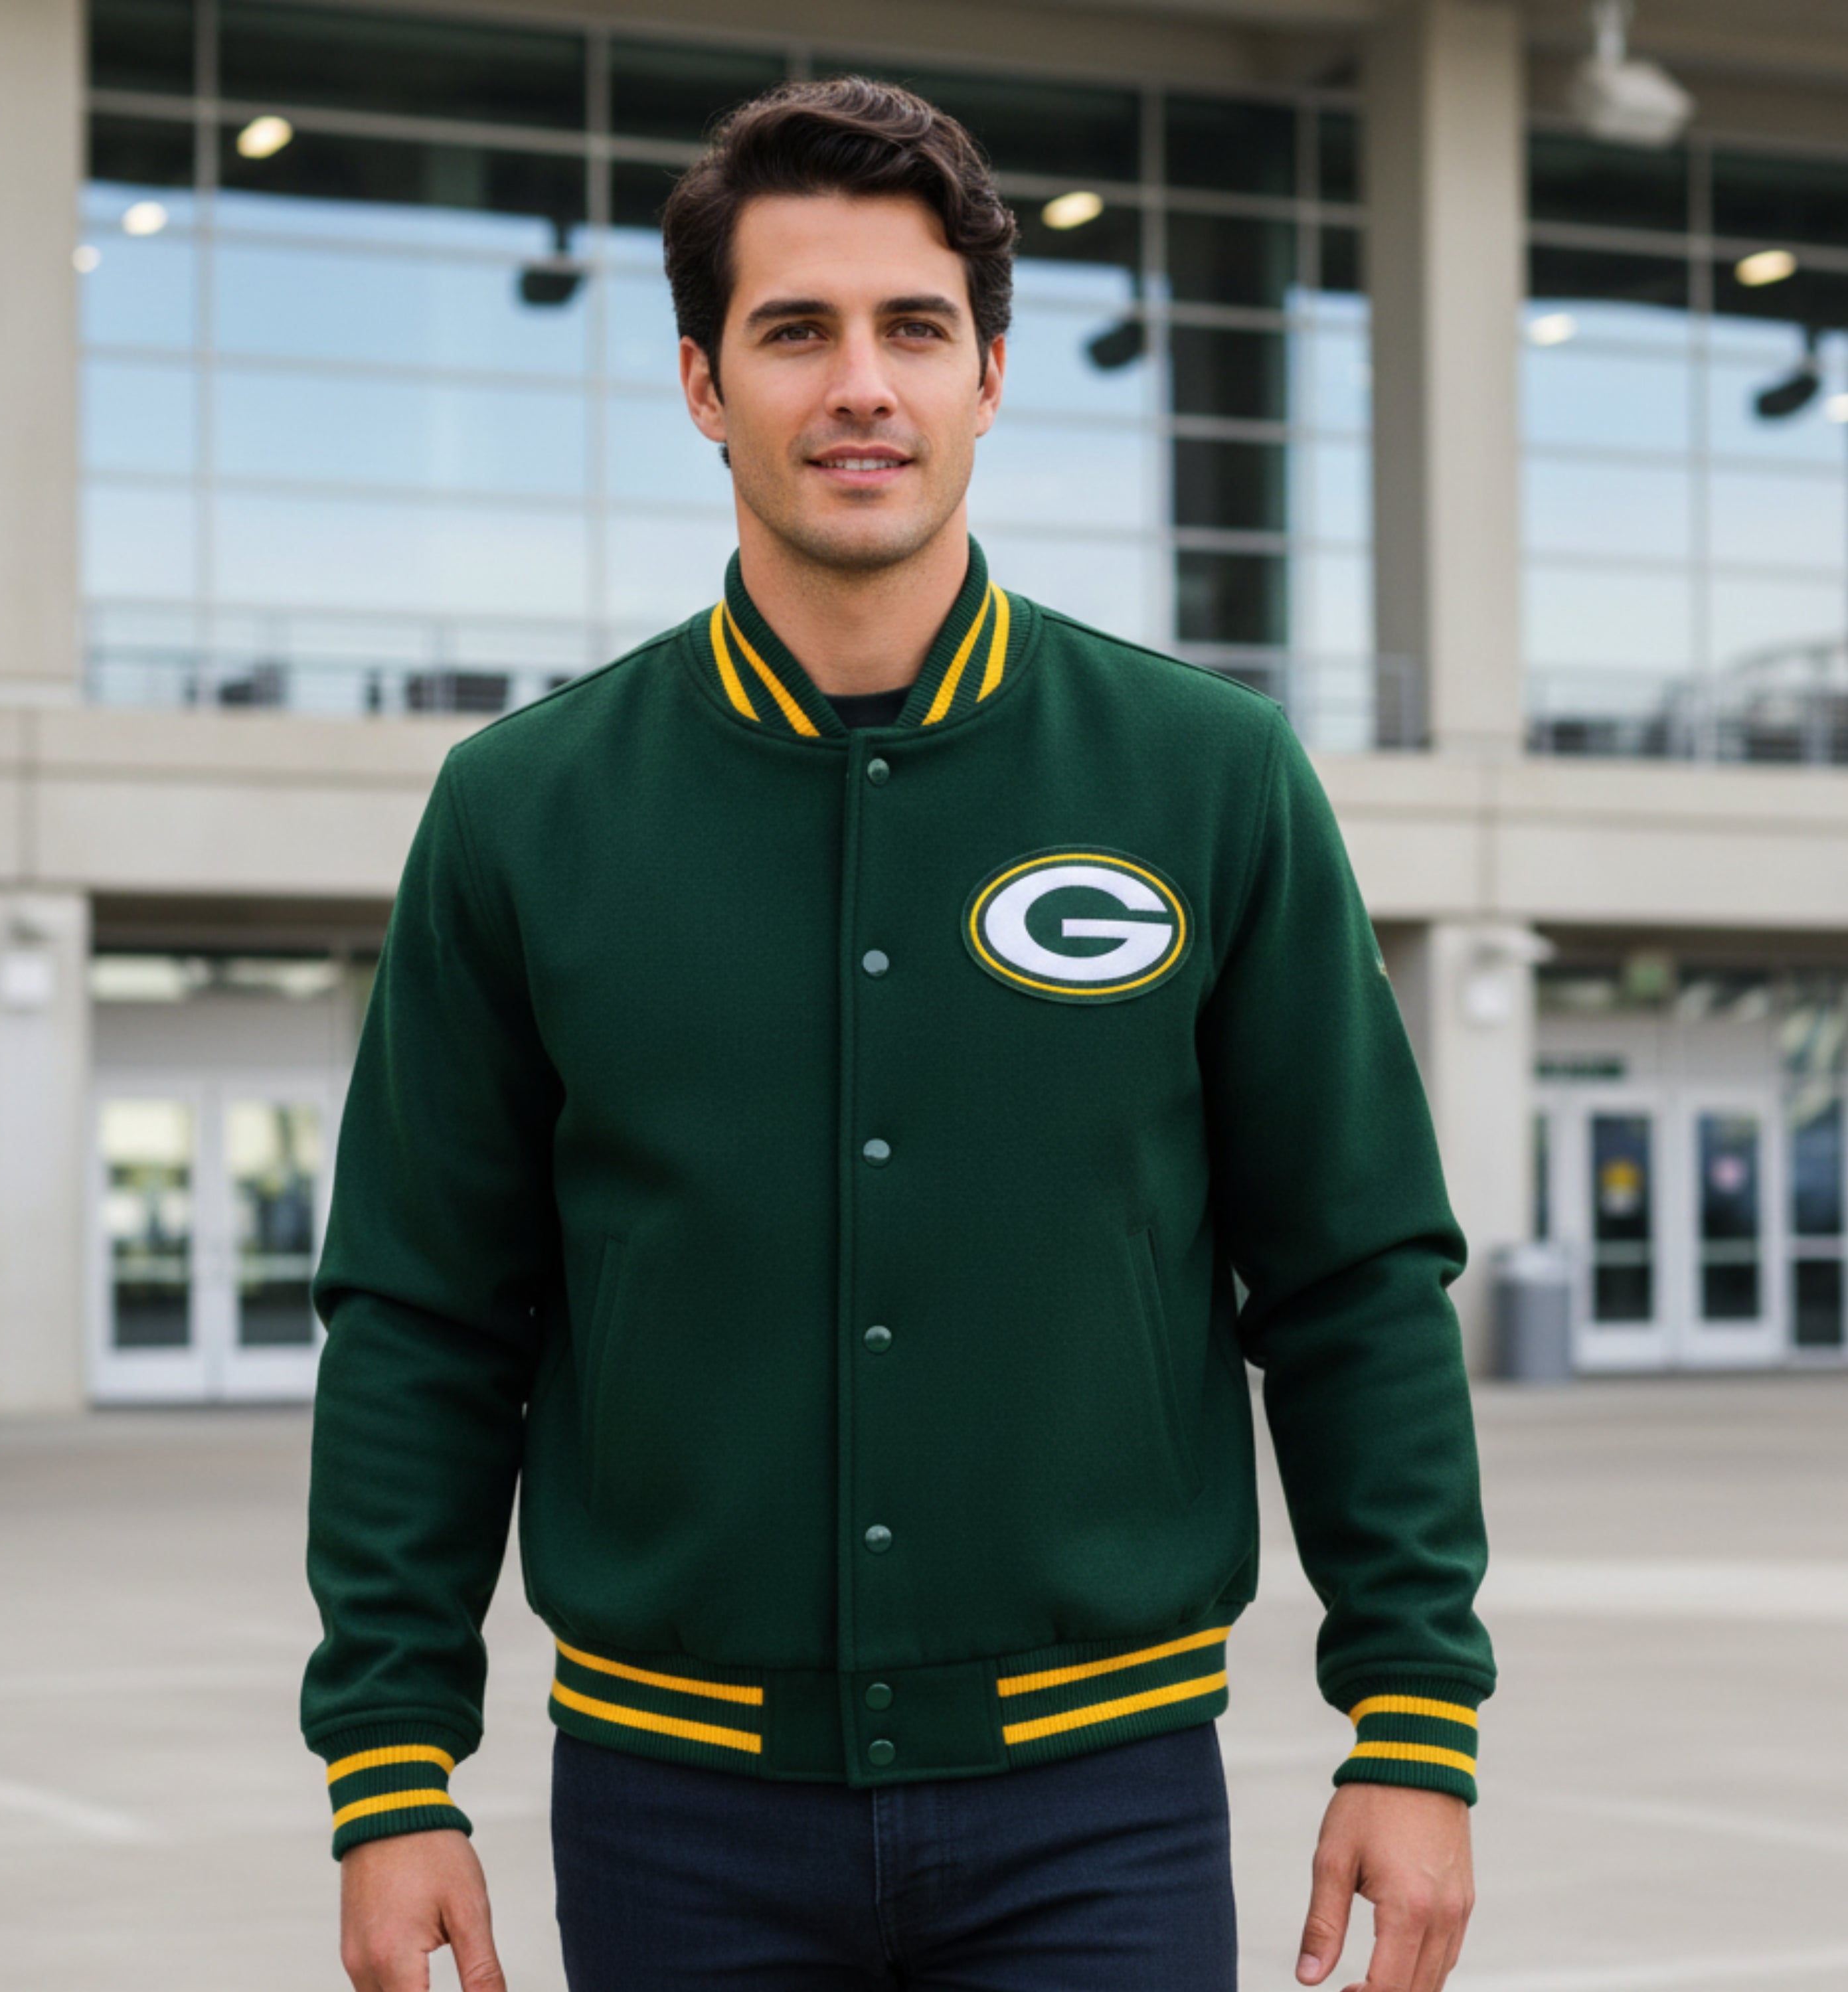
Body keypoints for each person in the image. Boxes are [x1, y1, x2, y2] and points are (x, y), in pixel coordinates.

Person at [303, 76, 1493, 1992]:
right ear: (704, 386)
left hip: (1099, 1809)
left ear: (990, 377)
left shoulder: (1210, 783)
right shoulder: (523, 813)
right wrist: (388, 1770)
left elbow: (1352, 1276)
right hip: (670, 1815)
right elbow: (428, 1315)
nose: (861, 383)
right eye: (796, 331)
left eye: (913, 328)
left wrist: (1416, 1721)